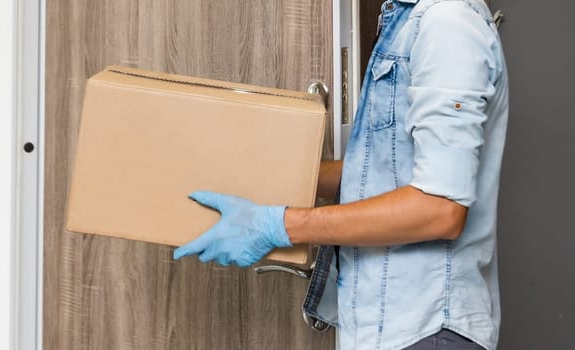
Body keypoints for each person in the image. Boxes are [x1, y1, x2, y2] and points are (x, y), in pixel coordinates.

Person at [173, 0, 508, 349]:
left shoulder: (448, 25)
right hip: (389, 328)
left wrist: (278, 226)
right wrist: (266, 177)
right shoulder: (410, 22)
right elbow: (385, 168)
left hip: (425, 330)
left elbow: (440, 208)